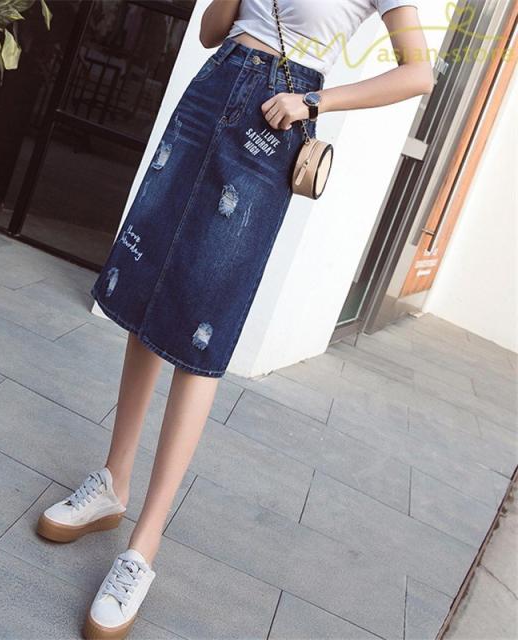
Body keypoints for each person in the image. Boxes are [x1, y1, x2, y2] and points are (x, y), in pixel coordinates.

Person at [36, 1, 433, 638]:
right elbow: (210, 31)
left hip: (275, 121)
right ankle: (112, 483)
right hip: (213, 88)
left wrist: (314, 103)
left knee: (203, 323)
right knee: (150, 293)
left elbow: (418, 73)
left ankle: (143, 546)